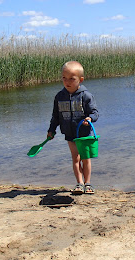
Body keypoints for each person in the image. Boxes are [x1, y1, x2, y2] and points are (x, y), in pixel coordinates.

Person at [47, 61, 99, 194]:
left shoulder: (86, 96)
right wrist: (51, 130)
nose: (67, 81)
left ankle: (88, 184)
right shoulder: (59, 97)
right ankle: (79, 184)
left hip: (84, 133)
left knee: (85, 158)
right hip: (69, 133)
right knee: (75, 158)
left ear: (80, 79)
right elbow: (55, 116)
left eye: (72, 79)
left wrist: (90, 118)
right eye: (64, 78)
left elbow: (95, 113)